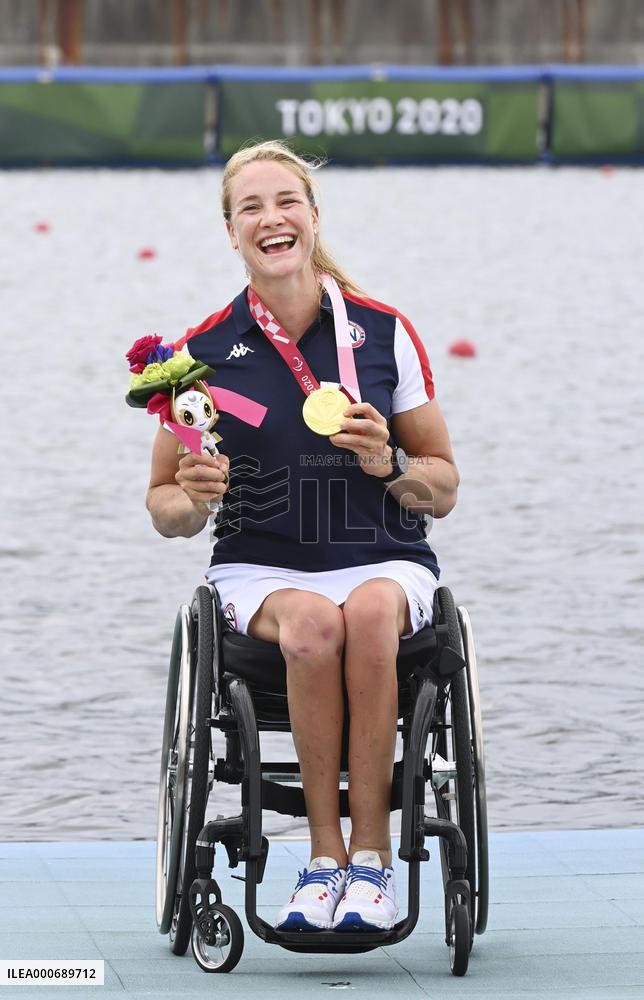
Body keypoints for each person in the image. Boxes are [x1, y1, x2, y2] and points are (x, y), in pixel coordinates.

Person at [146, 140, 459, 933]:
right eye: (250, 207)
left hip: (385, 556)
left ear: (312, 219)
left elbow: (444, 489)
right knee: (319, 622)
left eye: (286, 201)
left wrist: (391, 460)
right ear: (231, 232)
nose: (271, 218)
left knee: (369, 611)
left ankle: (374, 863)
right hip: (262, 567)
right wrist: (190, 494)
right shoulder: (199, 356)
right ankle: (324, 864)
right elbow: (166, 511)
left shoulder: (385, 333)